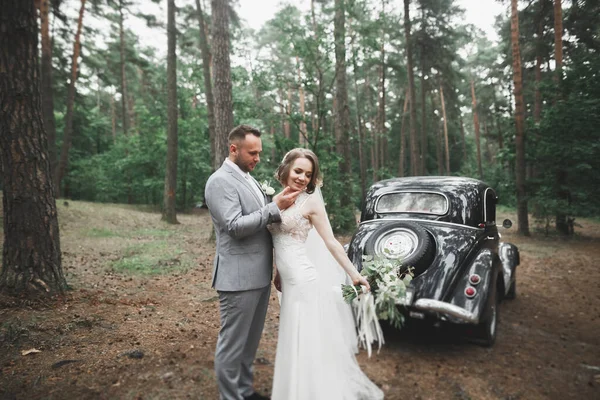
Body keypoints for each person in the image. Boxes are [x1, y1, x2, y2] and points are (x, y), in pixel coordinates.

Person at [268, 148, 384, 400]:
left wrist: (354, 274)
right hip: (287, 280)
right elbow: (280, 238)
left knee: (306, 338)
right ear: (286, 169)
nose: (302, 178)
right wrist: (278, 270)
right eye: (298, 171)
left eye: (308, 174)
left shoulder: (311, 203)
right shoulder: (277, 199)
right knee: (293, 336)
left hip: (304, 280)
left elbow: (331, 242)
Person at [204, 125, 300, 400]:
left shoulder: (248, 178)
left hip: (259, 275)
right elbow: (234, 226)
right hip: (237, 278)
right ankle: (231, 396)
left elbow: (262, 219)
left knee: (249, 343)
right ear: (234, 149)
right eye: (252, 153)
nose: (257, 158)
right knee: (232, 344)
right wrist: (274, 208)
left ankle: (244, 391)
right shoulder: (219, 181)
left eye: (259, 153)